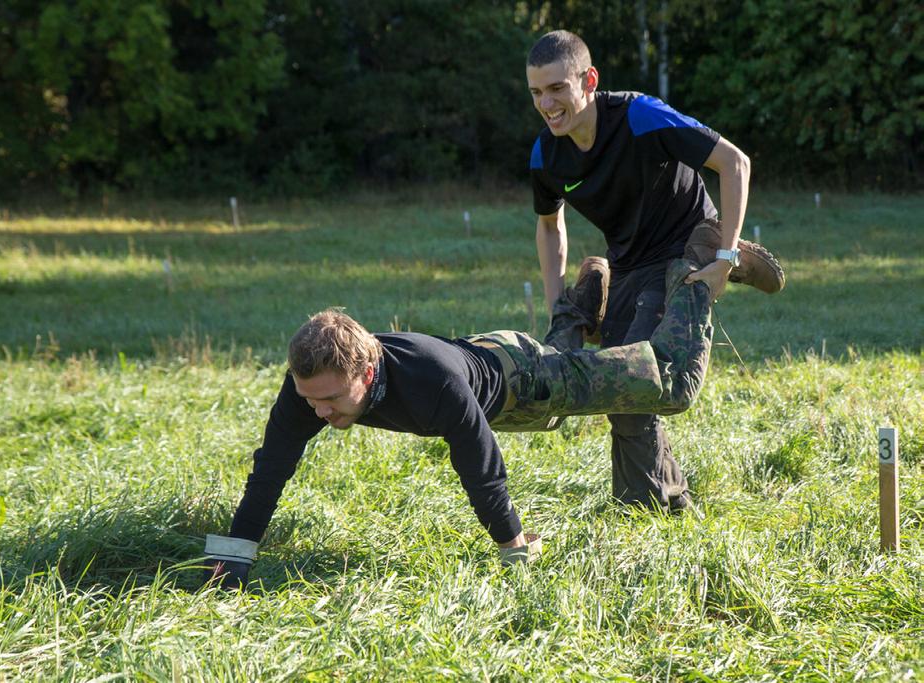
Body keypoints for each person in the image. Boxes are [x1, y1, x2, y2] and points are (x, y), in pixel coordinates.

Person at [203, 252, 771, 590]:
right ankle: (587, 295)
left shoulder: (430, 383)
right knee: (569, 359)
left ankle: (700, 270)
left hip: (519, 377)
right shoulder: (308, 387)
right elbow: (271, 468)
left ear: (366, 366)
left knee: (664, 385)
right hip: (480, 358)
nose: (319, 414)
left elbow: (481, 467)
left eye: (330, 401)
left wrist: (513, 544)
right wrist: (232, 561)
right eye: (312, 402)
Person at [525, 30, 784, 514]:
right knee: (622, 393)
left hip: (684, 243)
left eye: (557, 88)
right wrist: (558, 304)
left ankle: (728, 250)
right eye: (537, 92)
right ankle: (670, 507)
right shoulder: (547, 154)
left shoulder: (640, 116)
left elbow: (735, 162)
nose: (547, 103)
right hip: (629, 263)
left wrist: (722, 263)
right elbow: (549, 227)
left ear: (589, 80)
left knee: (652, 381)